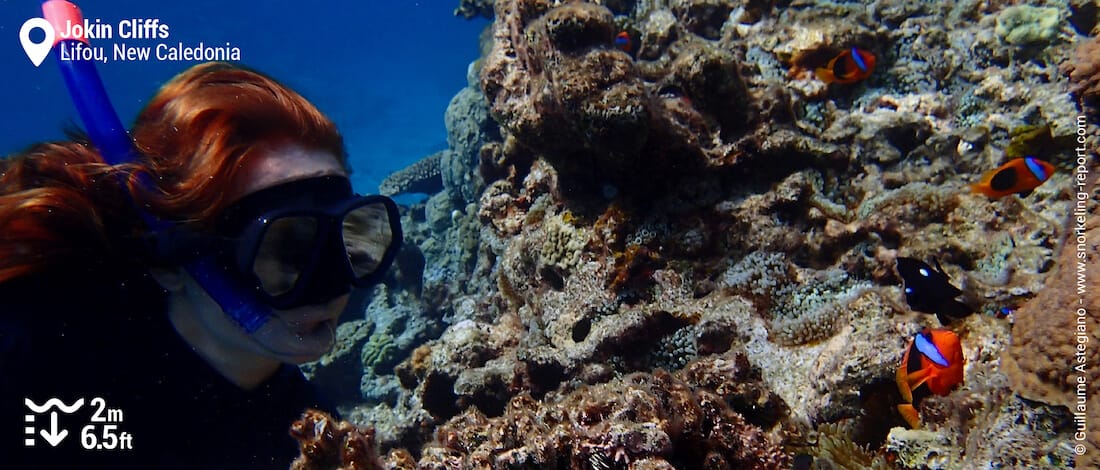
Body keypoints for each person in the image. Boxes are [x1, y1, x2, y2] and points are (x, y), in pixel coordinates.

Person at [0, 62, 401, 469]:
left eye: (347, 239)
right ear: (168, 262)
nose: (332, 282)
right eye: (284, 249)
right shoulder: (29, 350)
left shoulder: (306, 437)